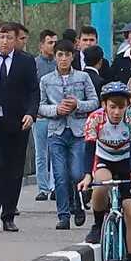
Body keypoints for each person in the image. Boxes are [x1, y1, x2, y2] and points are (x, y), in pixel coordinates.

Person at [0, 22, 42, 232]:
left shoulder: (25, 61)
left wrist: (31, 113)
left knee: (14, 171)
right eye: (1, 37)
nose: (4, 42)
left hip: (17, 123)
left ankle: (8, 215)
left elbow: (33, 90)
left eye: (9, 38)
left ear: (16, 40)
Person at [82, 78, 131, 261]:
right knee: (101, 184)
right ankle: (98, 222)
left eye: (121, 107)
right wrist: (86, 175)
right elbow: (89, 149)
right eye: (112, 107)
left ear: (127, 106)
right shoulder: (95, 119)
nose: (117, 112)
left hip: (127, 162)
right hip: (104, 160)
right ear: (104, 106)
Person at [37, 41, 100, 228]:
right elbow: (40, 106)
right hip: (56, 131)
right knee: (60, 175)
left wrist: (77, 104)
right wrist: (56, 109)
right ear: (55, 56)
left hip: (78, 131)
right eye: (60, 55)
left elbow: (95, 102)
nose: (63, 59)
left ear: (73, 56)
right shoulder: (46, 80)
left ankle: (78, 205)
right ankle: (63, 216)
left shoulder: (83, 77)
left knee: (77, 172)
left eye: (67, 55)